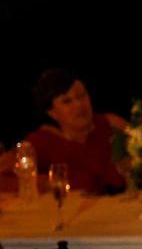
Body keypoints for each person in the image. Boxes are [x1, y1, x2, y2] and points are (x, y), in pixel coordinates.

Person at [0, 68, 128, 194]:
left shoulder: (112, 125)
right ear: (52, 113)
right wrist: (42, 182)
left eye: (81, 96)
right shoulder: (41, 142)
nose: (79, 104)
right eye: (67, 101)